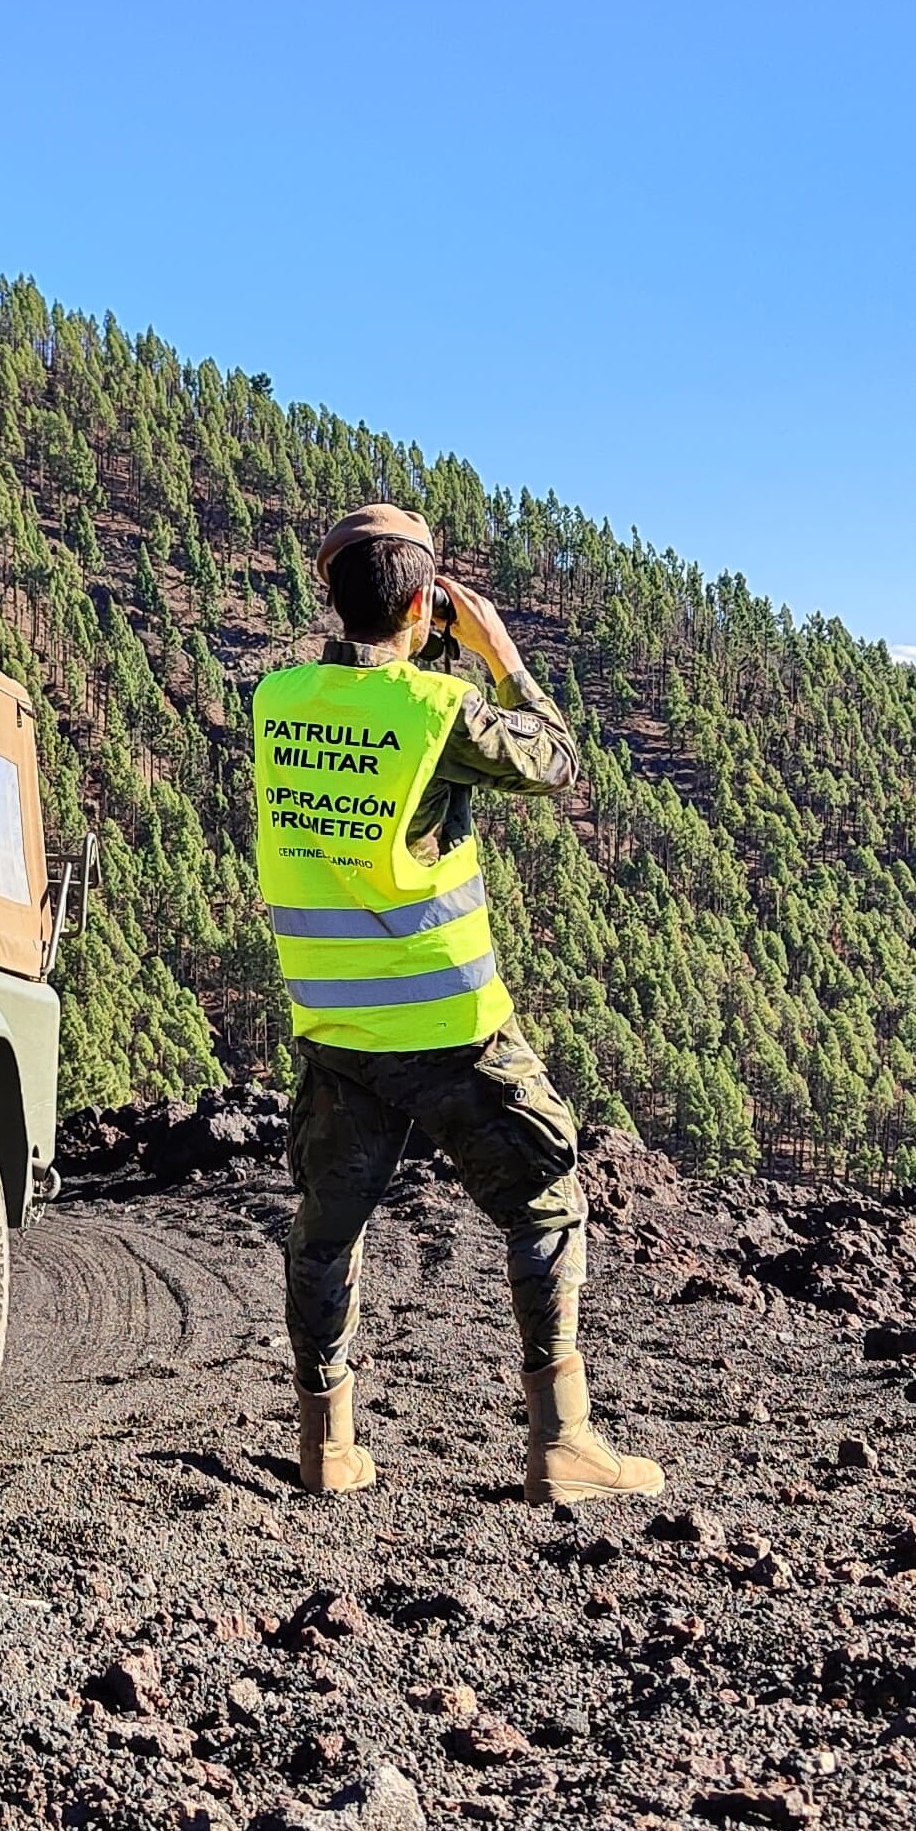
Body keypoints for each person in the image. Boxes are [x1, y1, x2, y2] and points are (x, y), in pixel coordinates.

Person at [252, 503, 664, 1507]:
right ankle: (562, 1445)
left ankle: (327, 1444)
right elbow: (556, 758)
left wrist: (413, 631)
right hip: (447, 1025)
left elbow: (351, 690)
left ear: (332, 597)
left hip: (335, 1028)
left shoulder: (279, 699)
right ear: (430, 600)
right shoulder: (439, 711)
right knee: (546, 1200)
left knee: (325, 1229)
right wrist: (497, 652)